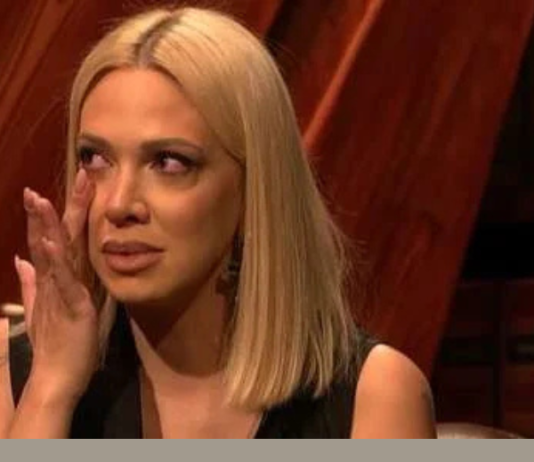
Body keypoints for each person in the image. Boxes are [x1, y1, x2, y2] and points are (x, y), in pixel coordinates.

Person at [0, 6, 436, 438]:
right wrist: (50, 388)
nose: (117, 204)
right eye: (95, 159)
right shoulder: (15, 374)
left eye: (169, 162)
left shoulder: (375, 397)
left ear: (254, 189)